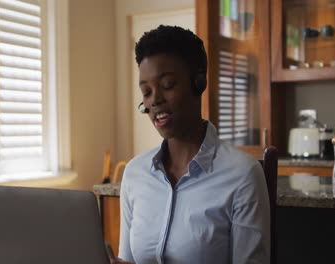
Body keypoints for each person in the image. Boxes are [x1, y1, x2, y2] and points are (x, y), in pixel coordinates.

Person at [111, 25, 270, 264]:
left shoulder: (243, 175)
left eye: (167, 85)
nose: (155, 100)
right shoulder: (134, 174)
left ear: (198, 82)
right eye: (146, 91)